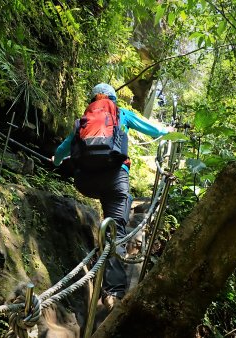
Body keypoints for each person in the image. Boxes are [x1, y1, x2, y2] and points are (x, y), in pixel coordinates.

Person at [52, 83, 173, 310]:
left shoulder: (83, 121)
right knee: (116, 230)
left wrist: (56, 161)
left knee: (111, 212)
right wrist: (169, 133)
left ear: (92, 100)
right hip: (115, 179)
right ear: (114, 100)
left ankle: (102, 258)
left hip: (85, 182)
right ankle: (112, 294)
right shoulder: (121, 114)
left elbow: (61, 152)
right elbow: (154, 131)